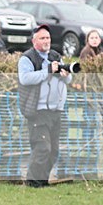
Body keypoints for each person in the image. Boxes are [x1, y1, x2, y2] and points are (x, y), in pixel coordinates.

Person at [18, 24, 73, 188]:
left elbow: (68, 80)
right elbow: (25, 79)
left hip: (56, 111)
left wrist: (65, 75)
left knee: (54, 151)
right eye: (42, 38)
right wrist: (48, 70)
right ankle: (32, 183)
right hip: (38, 110)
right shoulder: (27, 58)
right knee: (42, 148)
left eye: (48, 38)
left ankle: (42, 182)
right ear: (34, 41)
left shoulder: (56, 56)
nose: (46, 41)